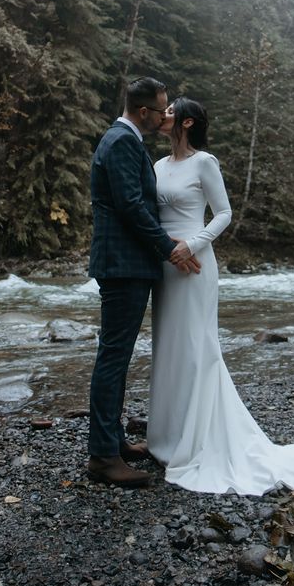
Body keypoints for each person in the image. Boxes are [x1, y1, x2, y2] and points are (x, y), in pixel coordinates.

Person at [147, 97, 294, 495]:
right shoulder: (157, 166)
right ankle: (166, 438)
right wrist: (164, 248)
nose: (161, 116)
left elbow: (223, 213)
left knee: (196, 346)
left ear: (186, 122)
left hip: (195, 265)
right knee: (166, 346)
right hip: (165, 265)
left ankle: (200, 439)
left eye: (169, 113)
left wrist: (194, 244)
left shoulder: (205, 162)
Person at [87, 77, 198, 487]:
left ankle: (114, 441)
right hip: (122, 265)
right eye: (162, 109)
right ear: (144, 112)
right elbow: (131, 206)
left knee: (118, 355)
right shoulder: (120, 143)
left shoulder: (127, 141)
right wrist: (168, 246)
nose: (165, 115)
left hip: (130, 264)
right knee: (113, 357)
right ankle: (101, 456)